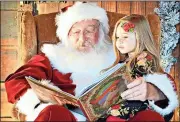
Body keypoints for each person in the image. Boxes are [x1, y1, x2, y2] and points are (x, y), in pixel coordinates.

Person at [5, 2, 178, 121]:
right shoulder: (51, 57)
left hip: (118, 117)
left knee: (150, 118)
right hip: (71, 118)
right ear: (66, 36)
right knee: (52, 114)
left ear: (101, 31)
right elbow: (16, 81)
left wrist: (153, 91)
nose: (83, 38)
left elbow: (163, 79)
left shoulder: (121, 53)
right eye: (75, 32)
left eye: (90, 30)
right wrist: (42, 99)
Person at [104, 14, 178, 122]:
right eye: (117, 37)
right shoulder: (118, 64)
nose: (119, 41)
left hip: (136, 108)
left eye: (125, 36)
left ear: (140, 37)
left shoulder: (145, 59)